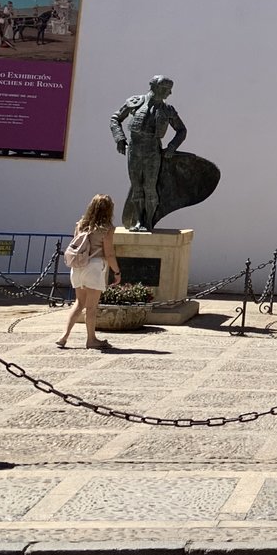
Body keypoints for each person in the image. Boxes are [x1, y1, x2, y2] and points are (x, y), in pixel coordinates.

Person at [109, 76, 188, 231]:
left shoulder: (168, 110)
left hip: (153, 151)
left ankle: (148, 222)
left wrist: (172, 147)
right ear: (155, 87)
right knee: (137, 187)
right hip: (134, 149)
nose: (170, 93)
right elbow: (115, 119)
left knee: (150, 188)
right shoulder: (135, 102)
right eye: (167, 89)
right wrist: (119, 138)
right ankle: (139, 221)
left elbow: (182, 130)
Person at [57, 194, 122, 350]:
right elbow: (109, 253)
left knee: (79, 303)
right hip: (94, 267)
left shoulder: (81, 225)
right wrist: (117, 272)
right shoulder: (107, 229)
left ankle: (64, 336)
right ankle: (91, 339)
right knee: (91, 307)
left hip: (78, 266)